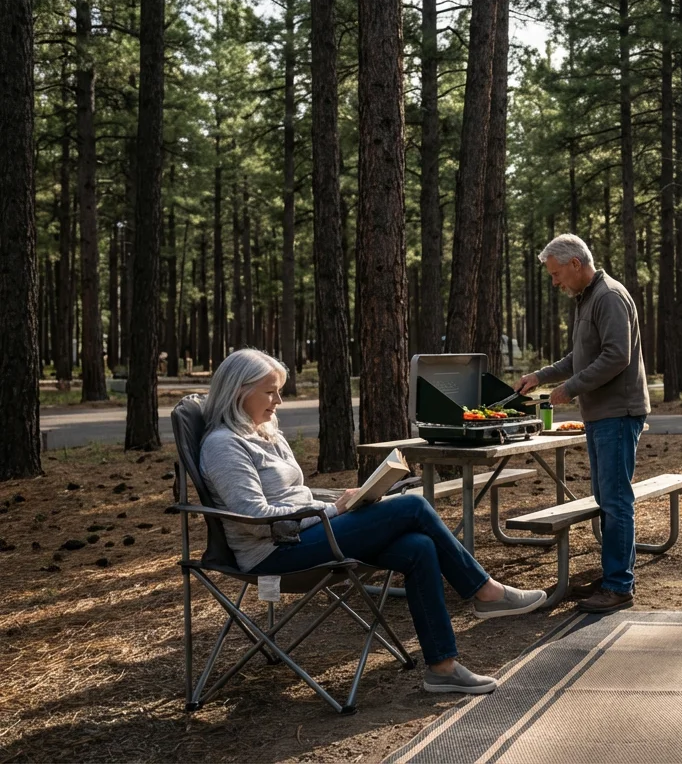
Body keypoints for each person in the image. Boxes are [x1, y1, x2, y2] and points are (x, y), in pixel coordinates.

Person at [198, 348, 545, 695]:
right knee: (412, 506)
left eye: (278, 390)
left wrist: (341, 499)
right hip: (274, 553)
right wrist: (336, 511)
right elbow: (254, 519)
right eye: (270, 391)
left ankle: (443, 668)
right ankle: (486, 592)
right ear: (239, 391)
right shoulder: (223, 445)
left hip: (309, 531)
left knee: (419, 547)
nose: (279, 401)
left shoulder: (266, 432)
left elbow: (295, 495)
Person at [515, 234, 651, 614]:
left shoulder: (607, 296)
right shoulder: (588, 299)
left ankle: (619, 586)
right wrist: (541, 377)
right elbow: (581, 356)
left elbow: (616, 356)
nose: (555, 282)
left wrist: (570, 389)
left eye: (557, 274)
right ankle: (612, 575)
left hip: (618, 414)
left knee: (616, 501)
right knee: (606, 500)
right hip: (601, 415)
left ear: (576, 263)